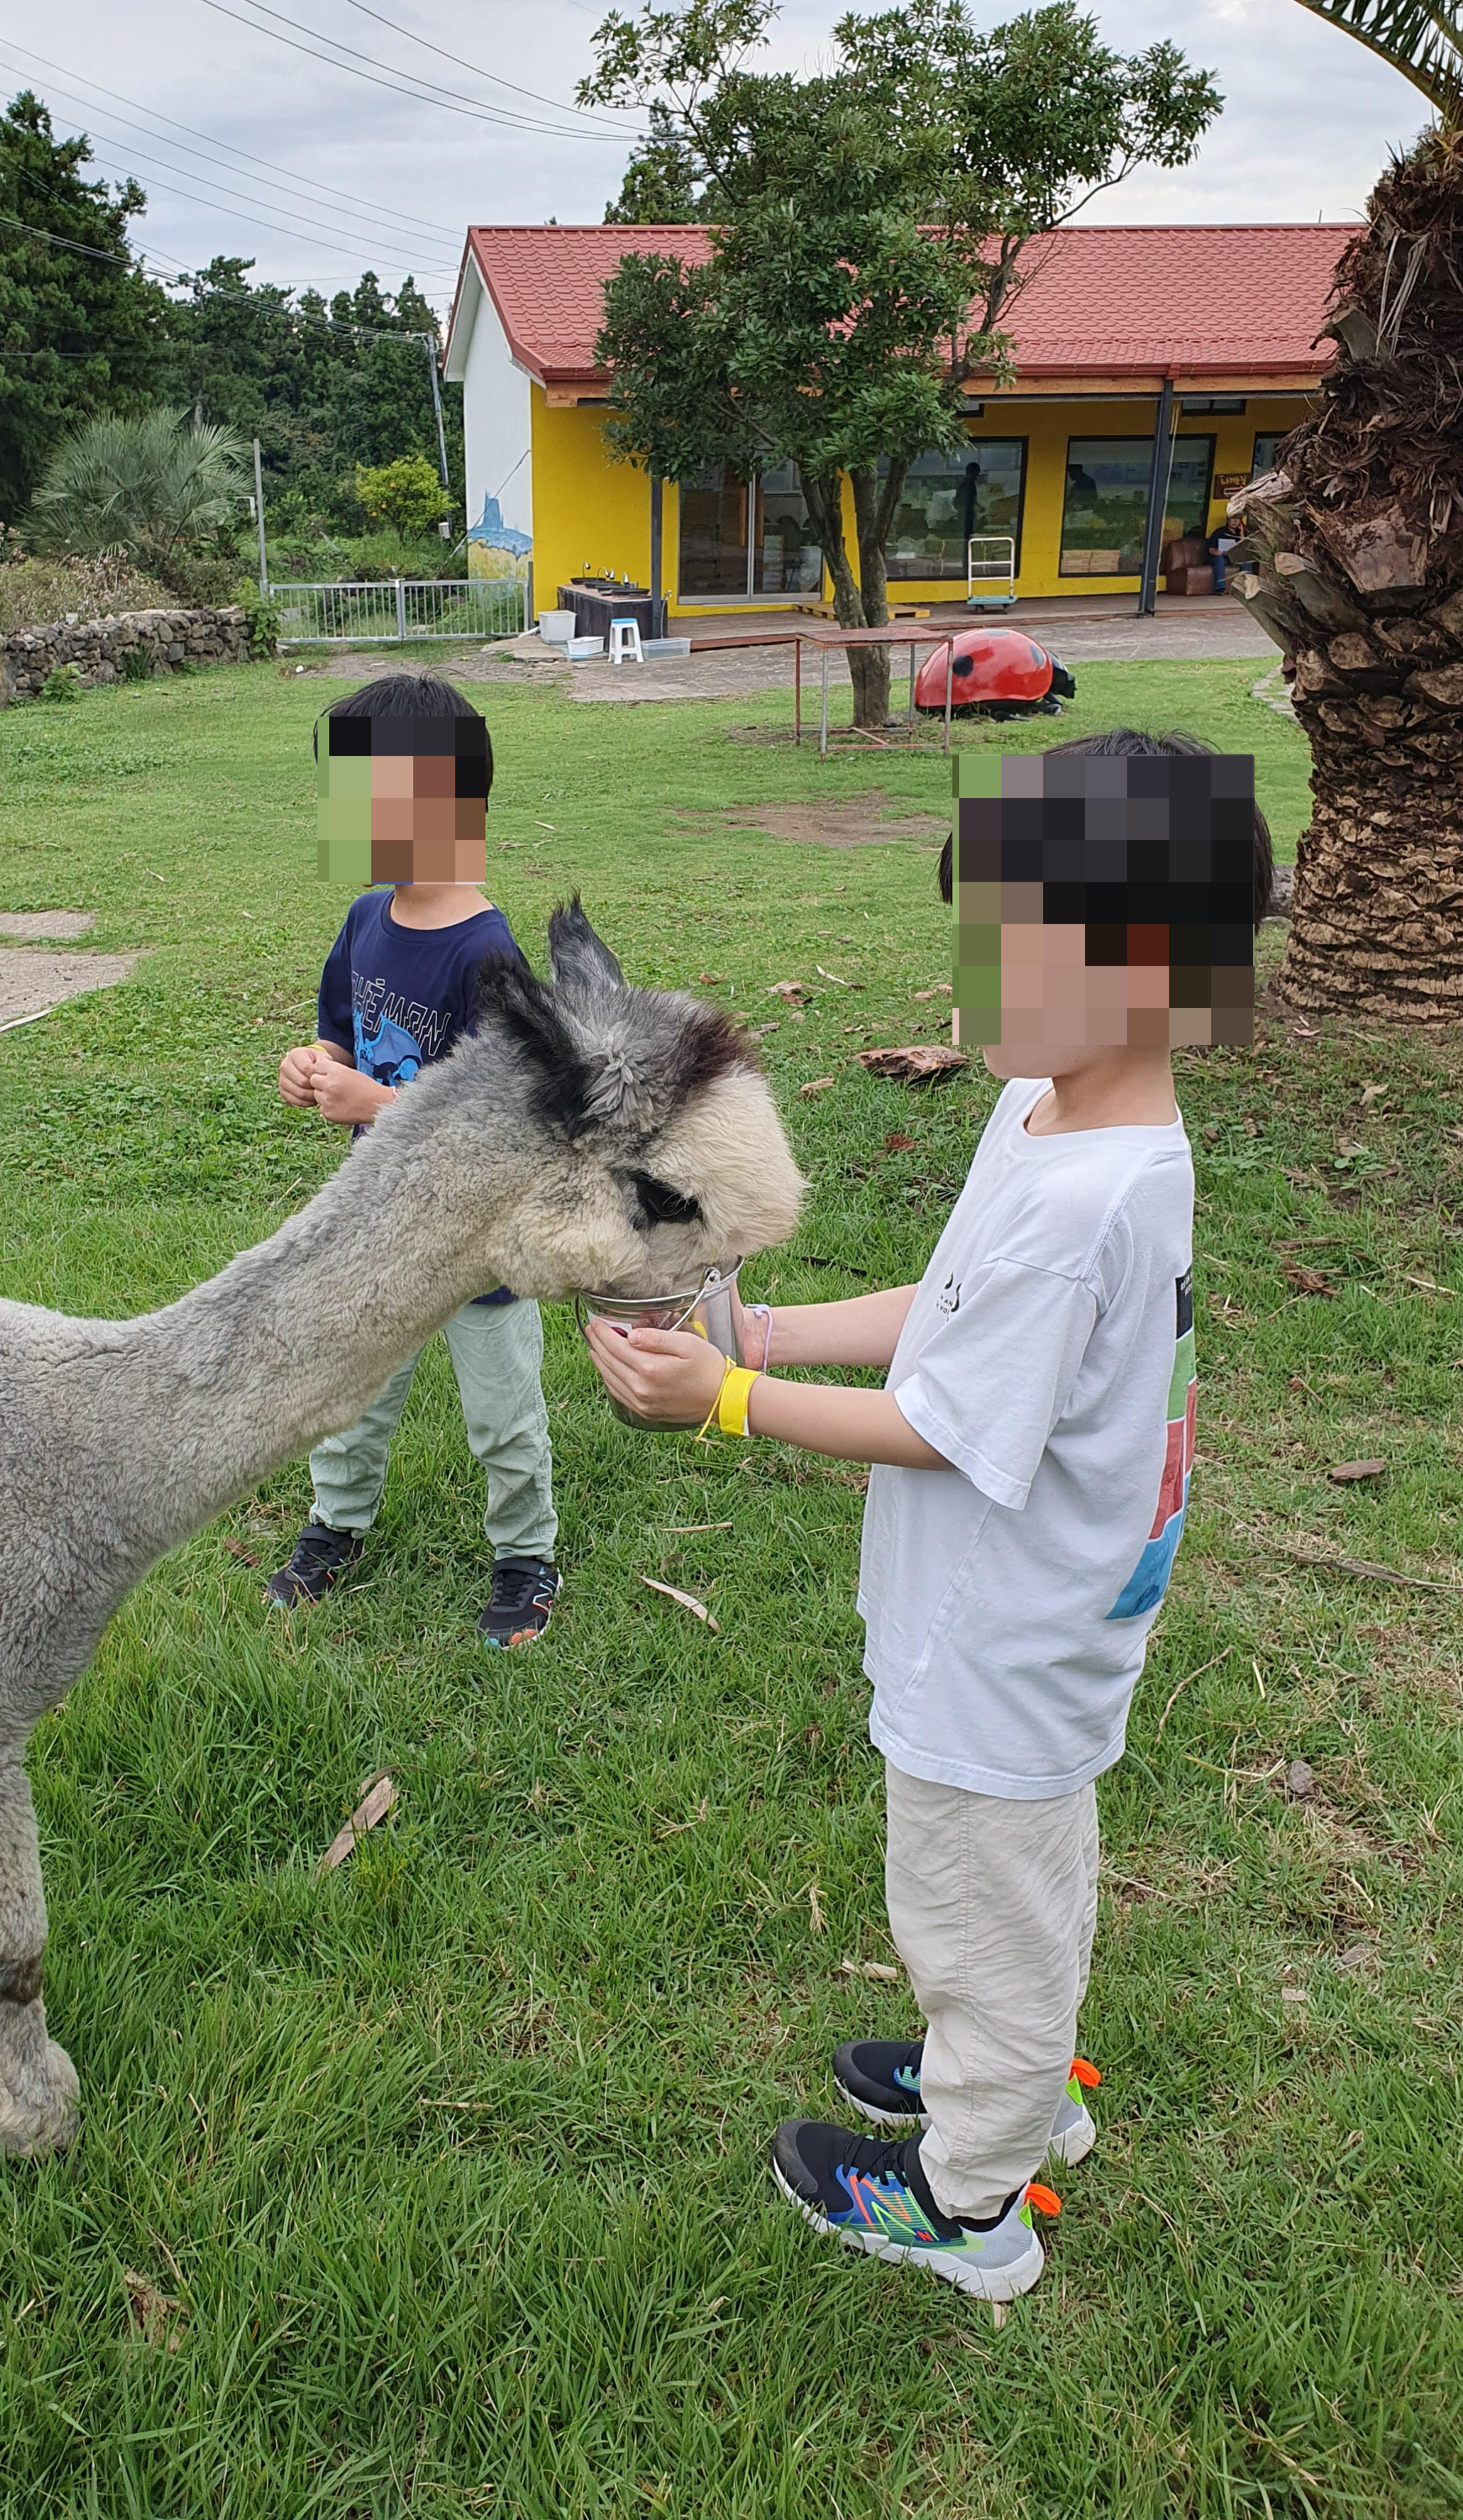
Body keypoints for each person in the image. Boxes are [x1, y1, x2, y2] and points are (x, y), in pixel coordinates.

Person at [585, 730, 1273, 2302]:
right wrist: (770, 1331)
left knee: (977, 1904)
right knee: (1018, 1884)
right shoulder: (1060, 1110)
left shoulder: (1087, 1192)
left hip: (1006, 1637)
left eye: (1015, 938)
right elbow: (952, 1308)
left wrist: (729, 1404)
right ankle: (1012, 2085)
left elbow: (942, 1429)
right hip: (1040, 1610)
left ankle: (973, 2201)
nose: (978, 966)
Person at [268, 670, 560, 1648]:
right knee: (349, 1389)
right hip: (376, 1225)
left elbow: (506, 1116)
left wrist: (377, 1104)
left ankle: (526, 1554)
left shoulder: (487, 953)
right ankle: (336, 1526)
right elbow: (342, 1033)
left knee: (502, 1413)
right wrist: (319, 1067)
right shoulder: (364, 922)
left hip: (475, 1238)